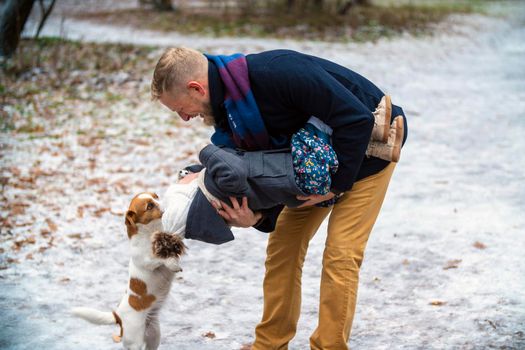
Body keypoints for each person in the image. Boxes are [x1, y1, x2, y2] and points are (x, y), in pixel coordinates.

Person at [152, 47, 408, 350]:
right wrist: (257, 218)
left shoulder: (277, 72)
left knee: (341, 253)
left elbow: (356, 120)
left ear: (196, 88)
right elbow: (267, 173)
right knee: (282, 249)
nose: (185, 118)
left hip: (368, 151)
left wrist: (334, 187)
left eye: (181, 109)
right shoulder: (229, 116)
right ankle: (270, 344)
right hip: (307, 165)